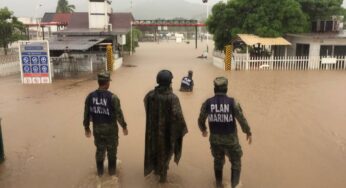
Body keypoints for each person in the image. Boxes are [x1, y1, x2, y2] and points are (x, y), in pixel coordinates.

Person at [198, 77, 252, 188]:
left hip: (215, 141)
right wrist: (248, 132)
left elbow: (200, 119)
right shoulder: (233, 103)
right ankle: (234, 185)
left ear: (214, 88)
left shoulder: (207, 103)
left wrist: (203, 130)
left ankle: (218, 185)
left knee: (218, 162)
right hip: (231, 141)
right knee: (236, 161)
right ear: (226, 88)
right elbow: (241, 119)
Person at [144, 70, 188, 183]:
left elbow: (146, 106)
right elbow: (178, 118)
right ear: (169, 82)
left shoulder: (150, 95)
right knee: (164, 159)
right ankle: (162, 182)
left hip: (152, 134)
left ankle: (155, 174)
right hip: (166, 135)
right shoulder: (173, 98)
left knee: (154, 154)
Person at [83, 72, 128, 177]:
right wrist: (124, 127)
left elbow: (86, 113)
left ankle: (100, 174)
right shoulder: (113, 97)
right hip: (111, 129)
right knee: (112, 152)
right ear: (107, 83)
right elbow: (119, 114)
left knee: (99, 151)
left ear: (99, 82)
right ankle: (112, 175)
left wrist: (86, 128)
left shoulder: (90, 97)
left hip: (97, 129)